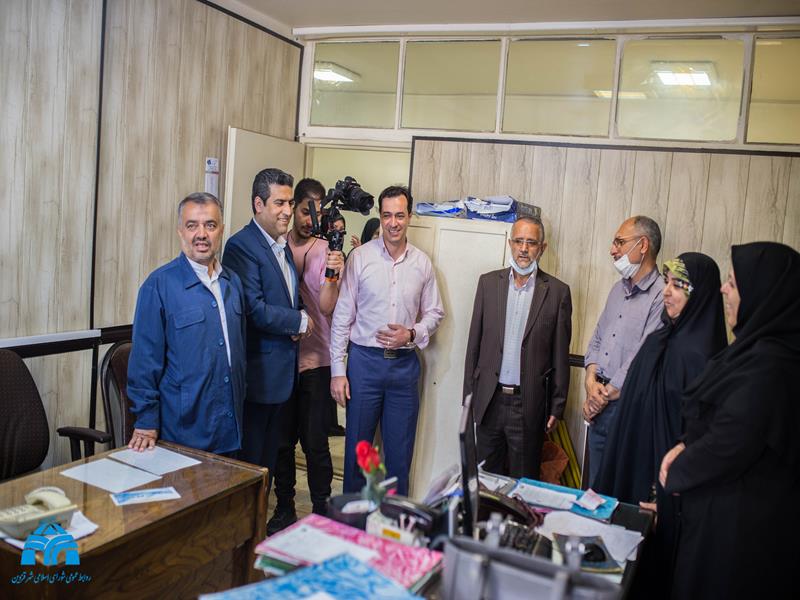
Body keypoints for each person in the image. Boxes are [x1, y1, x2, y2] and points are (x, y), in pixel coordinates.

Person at [660, 242, 800, 600]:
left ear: (764, 297)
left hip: (738, 536)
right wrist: (685, 445)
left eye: (734, 283)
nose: (723, 288)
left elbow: (732, 439)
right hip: (719, 515)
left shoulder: (771, 366)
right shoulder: (751, 352)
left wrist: (678, 468)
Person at [330, 186, 444, 496]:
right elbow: (342, 317)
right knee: (359, 453)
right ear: (380, 217)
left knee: (399, 456)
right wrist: (338, 371)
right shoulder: (360, 258)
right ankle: (354, 517)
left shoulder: (422, 263)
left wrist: (412, 333)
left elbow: (435, 312)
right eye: (387, 215)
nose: (393, 223)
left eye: (400, 215)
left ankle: (394, 519)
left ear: (410, 217)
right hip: (364, 366)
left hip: (404, 369)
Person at [595, 252, 727, 504]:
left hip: (667, 485)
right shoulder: (656, 342)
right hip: (631, 466)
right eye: (667, 282)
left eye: (677, 285)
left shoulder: (706, 359)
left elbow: (700, 433)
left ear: (700, 293)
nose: (666, 291)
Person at [222, 168, 313, 514]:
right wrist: (299, 321)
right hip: (257, 381)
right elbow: (253, 308)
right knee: (249, 469)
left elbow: (288, 297)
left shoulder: (281, 246)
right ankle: (243, 533)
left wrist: (298, 315)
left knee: (268, 470)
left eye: (290, 202)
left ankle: (258, 530)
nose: (288, 211)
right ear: (258, 204)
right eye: (280, 203)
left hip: (282, 378)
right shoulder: (241, 246)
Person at [127, 192, 246, 455]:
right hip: (183, 433)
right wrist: (146, 421)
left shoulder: (233, 283)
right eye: (192, 225)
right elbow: (144, 361)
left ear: (221, 230)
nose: (201, 234)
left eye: (210, 225)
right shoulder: (158, 286)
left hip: (231, 429)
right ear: (180, 231)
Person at [464, 216, 572, 479]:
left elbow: (560, 356)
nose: (524, 249)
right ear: (510, 243)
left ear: (542, 248)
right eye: (519, 241)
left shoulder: (557, 292)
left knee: (523, 484)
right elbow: (473, 345)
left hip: (528, 405)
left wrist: (557, 406)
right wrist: (468, 397)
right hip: (490, 401)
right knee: (485, 481)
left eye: (531, 243)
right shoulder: (488, 284)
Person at [270, 178, 345, 528]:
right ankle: (284, 506)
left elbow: (327, 307)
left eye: (315, 214)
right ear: (293, 207)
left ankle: (320, 512)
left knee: (315, 443)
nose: (308, 220)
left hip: (316, 361)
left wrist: (332, 272)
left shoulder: (325, 250)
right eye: (303, 211)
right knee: (282, 443)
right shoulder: (277, 245)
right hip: (282, 361)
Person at [583, 216, 665, 485]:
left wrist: (602, 397)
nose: (612, 249)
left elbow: (641, 357)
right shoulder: (617, 289)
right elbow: (597, 339)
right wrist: (590, 383)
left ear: (643, 245)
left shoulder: (661, 295)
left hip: (627, 406)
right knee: (595, 489)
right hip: (598, 399)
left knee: (618, 490)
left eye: (619, 242)